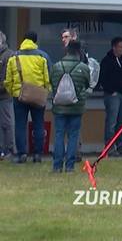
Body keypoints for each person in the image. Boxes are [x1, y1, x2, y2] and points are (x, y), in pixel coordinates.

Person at [3, 31, 50, 163]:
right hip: (38, 96)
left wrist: (13, 92)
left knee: (20, 125)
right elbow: (47, 79)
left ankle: (22, 154)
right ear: (35, 41)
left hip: (19, 96)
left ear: (23, 40)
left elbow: (8, 80)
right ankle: (37, 154)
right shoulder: (42, 57)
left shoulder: (14, 57)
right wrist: (45, 91)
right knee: (39, 124)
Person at [49, 40, 91, 173]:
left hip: (59, 106)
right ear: (79, 51)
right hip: (76, 106)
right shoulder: (83, 67)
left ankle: (57, 166)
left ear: (66, 51)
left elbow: (52, 83)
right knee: (73, 136)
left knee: (59, 135)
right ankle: (70, 166)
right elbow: (87, 84)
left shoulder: (56, 66)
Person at [0, 30, 15, 160]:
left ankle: (9, 149)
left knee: (6, 123)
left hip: (5, 95)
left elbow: (8, 77)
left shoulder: (8, 55)